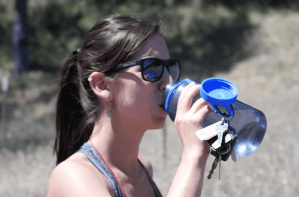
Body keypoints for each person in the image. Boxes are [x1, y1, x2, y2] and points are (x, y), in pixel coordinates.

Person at [47, 14, 212, 197]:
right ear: (102, 85)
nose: (168, 82)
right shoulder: (73, 177)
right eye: (151, 69)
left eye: (169, 68)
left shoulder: (144, 169)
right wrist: (193, 156)